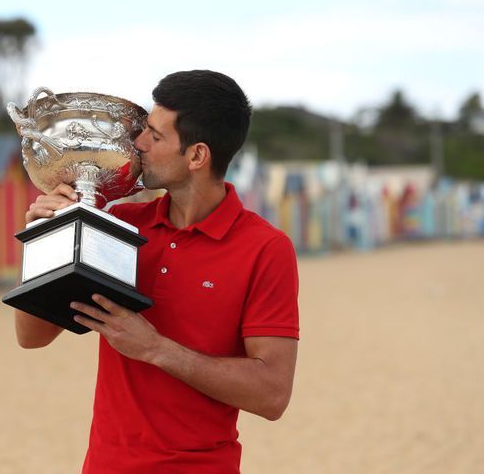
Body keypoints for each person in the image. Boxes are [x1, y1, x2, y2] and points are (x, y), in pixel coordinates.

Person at [15, 70, 299, 473]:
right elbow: (31, 336)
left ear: (197, 155)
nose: (138, 143)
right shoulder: (122, 224)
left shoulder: (266, 248)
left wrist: (155, 348)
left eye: (155, 135)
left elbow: (272, 395)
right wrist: (46, 234)